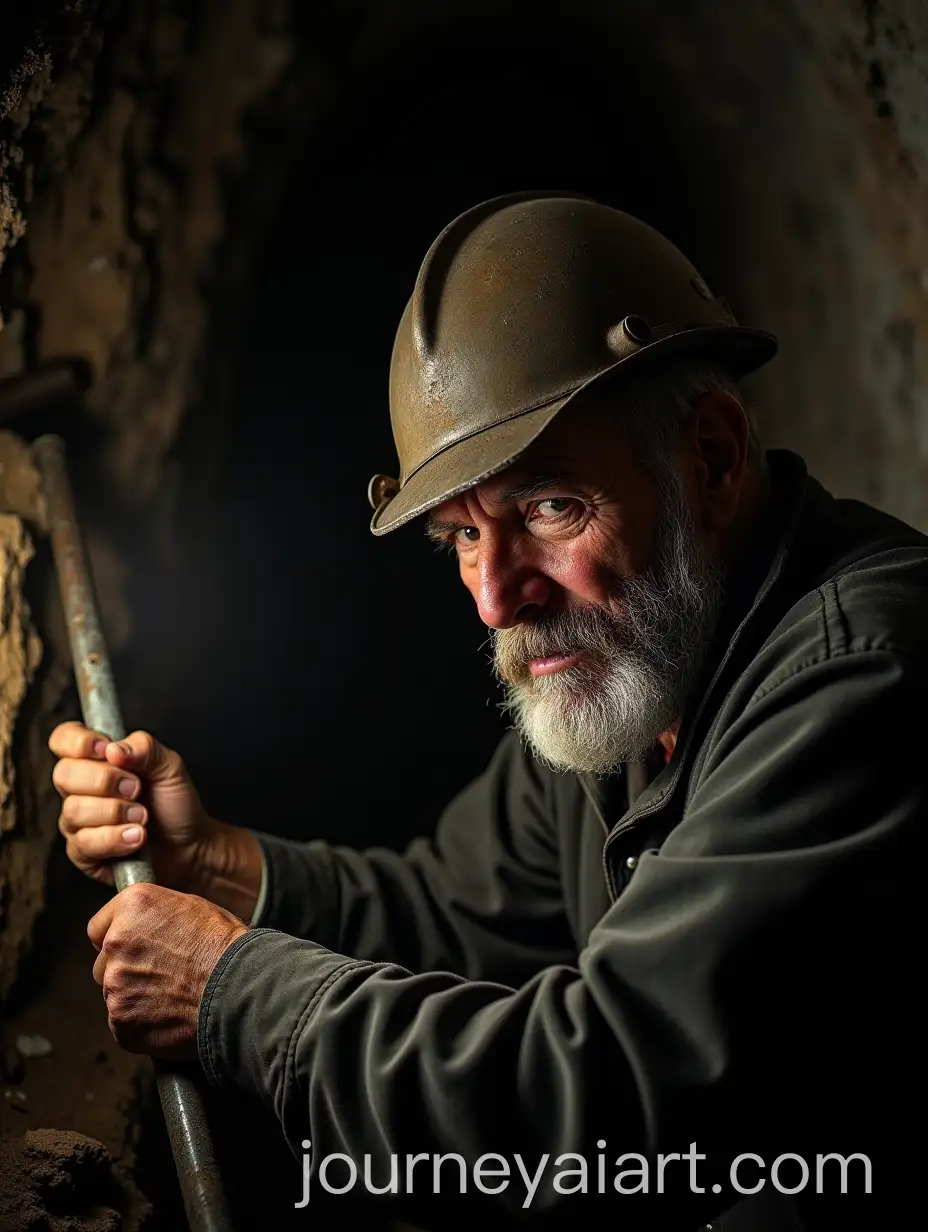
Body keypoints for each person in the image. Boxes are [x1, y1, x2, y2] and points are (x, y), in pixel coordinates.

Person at [49, 193, 926, 1230]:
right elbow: (457, 911)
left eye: (549, 506)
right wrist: (221, 866)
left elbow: (600, 1097)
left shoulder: (865, 679)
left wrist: (231, 990)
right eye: (462, 536)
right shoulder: (641, 666)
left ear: (713, 456)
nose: (497, 596)